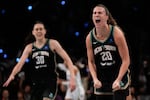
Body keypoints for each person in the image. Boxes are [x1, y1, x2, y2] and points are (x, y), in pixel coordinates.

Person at [3, 20, 76, 100]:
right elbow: (19, 64)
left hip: (50, 82)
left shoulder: (52, 43)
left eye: (41, 29)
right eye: (37, 29)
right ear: (33, 32)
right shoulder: (29, 47)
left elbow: (68, 60)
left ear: (45, 31)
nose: (39, 31)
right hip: (36, 83)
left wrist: (72, 78)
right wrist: (12, 75)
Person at [85, 4, 130, 100]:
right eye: (94, 13)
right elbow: (91, 62)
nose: (96, 15)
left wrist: (118, 80)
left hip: (118, 73)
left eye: (100, 13)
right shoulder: (89, 38)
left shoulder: (116, 33)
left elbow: (126, 60)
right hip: (102, 75)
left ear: (106, 17)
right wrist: (95, 79)